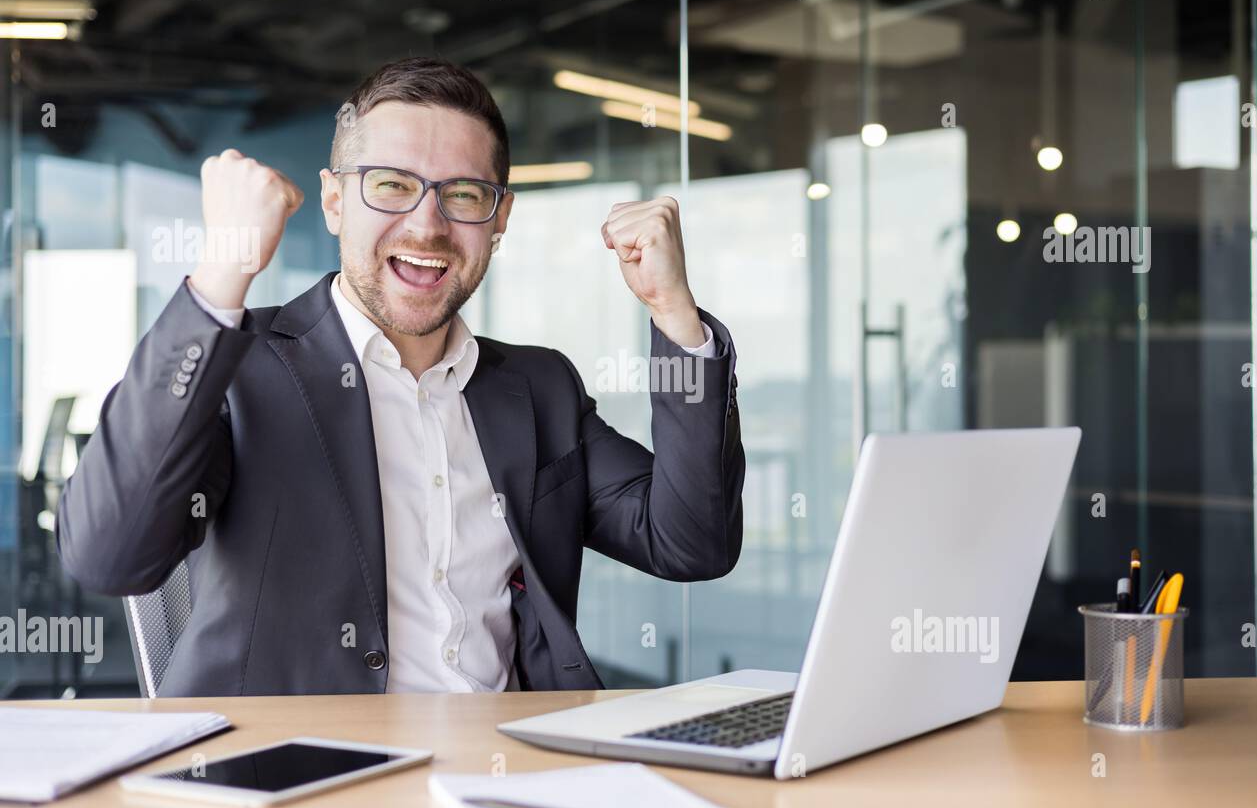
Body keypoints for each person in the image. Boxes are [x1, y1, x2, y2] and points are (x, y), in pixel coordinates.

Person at [55, 56, 745, 696]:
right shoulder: (240, 366)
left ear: (499, 218)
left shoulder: (539, 388)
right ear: (334, 202)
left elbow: (692, 540)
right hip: (303, 781)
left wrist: (674, 314)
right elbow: (107, 555)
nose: (427, 225)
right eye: (391, 186)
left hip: (507, 773)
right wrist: (221, 273)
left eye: (465, 194)